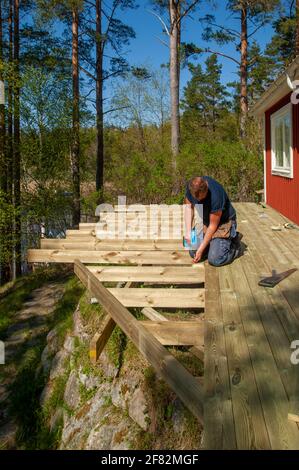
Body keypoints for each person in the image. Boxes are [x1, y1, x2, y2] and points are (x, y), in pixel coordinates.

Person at [184, 176, 241, 266]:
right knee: (192, 251)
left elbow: (213, 226)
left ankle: (234, 244)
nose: (199, 201)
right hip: (206, 220)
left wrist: (201, 249)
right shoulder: (191, 187)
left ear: (206, 187)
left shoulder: (216, 195)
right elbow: (188, 208)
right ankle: (213, 244)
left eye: (201, 198)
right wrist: (188, 232)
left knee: (215, 259)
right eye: (197, 199)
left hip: (223, 223)